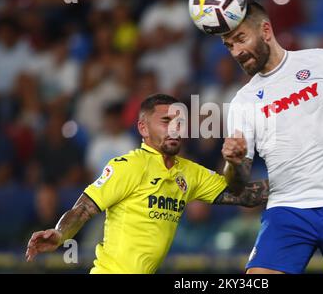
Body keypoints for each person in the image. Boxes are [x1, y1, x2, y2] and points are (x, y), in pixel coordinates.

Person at [221, 1, 323, 274]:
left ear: (265, 31)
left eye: (240, 39)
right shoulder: (242, 102)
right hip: (287, 210)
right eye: (229, 46)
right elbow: (238, 183)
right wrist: (233, 162)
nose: (236, 52)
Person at [25, 94, 268, 274]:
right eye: (166, 121)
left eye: (180, 123)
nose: (175, 128)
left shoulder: (190, 172)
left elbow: (246, 197)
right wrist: (59, 233)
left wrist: (300, 177)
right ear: (143, 127)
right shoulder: (129, 166)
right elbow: (83, 209)